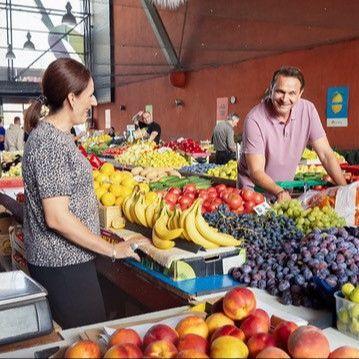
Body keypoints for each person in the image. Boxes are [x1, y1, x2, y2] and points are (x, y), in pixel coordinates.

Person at [22, 58, 146, 329]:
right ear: (71, 98)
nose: (93, 103)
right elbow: (56, 217)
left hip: (68, 260)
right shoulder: (50, 144)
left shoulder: (56, 136)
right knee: (87, 341)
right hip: (63, 263)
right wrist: (111, 250)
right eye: (89, 96)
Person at [238, 66, 346, 202]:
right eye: (280, 91)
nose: (285, 99)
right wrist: (280, 192)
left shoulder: (308, 111)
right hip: (253, 196)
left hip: (283, 194)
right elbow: (256, 171)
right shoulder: (255, 119)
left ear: (300, 94)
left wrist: (345, 189)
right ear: (271, 89)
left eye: (292, 93)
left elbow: (326, 154)